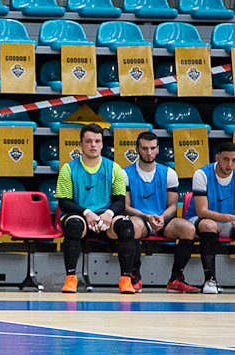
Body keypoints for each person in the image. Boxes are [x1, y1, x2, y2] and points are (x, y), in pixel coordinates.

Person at [56, 123, 137, 294]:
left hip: (106, 218)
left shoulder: (114, 168)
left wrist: (109, 213)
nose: (93, 145)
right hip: (79, 214)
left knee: (126, 226)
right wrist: (86, 213)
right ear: (81, 144)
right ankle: (71, 279)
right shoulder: (68, 168)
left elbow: (120, 202)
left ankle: (126, 280)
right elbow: (64, 203)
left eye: (97, 141)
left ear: (102, 144)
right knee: (74, 225)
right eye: (89, 141)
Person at [123, 132, 199, 293]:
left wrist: (162, 217)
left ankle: (176, 279)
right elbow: (126, 207)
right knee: (132, 226)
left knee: (188, 228)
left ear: (158, 149)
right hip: (140, 218)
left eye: (152, 148)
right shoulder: (125, 173)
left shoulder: (169, 173)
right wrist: (147, 217)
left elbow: (172, 206)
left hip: (162, 219)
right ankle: (135, 278)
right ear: (137, 149)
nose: (148, 153)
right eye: (144, 148)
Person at [185, 141, 235, 294]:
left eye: (234, 160)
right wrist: (230, 217)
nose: (230, 165)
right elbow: (202, 211)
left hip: (227, 221)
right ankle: (210, 280)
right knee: (209, 225)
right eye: (226, 159)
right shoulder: (201, 174)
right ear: (217, 157)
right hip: (198, 220)